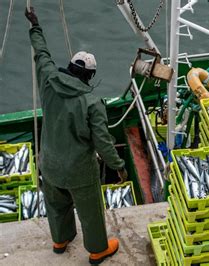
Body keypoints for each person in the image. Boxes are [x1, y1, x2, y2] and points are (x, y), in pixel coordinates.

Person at [25, 8, 128, 264]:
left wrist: (35, 26)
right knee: (90, 213)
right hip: (79, 171)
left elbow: (42, 54)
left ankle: (60, 240)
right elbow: (102, 143)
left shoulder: (49, 80)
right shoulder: (91, 102)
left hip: (49, 164)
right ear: (90, 76)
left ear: (70, 67)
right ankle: (97, 250)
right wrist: (119, 167)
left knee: (56, 205)